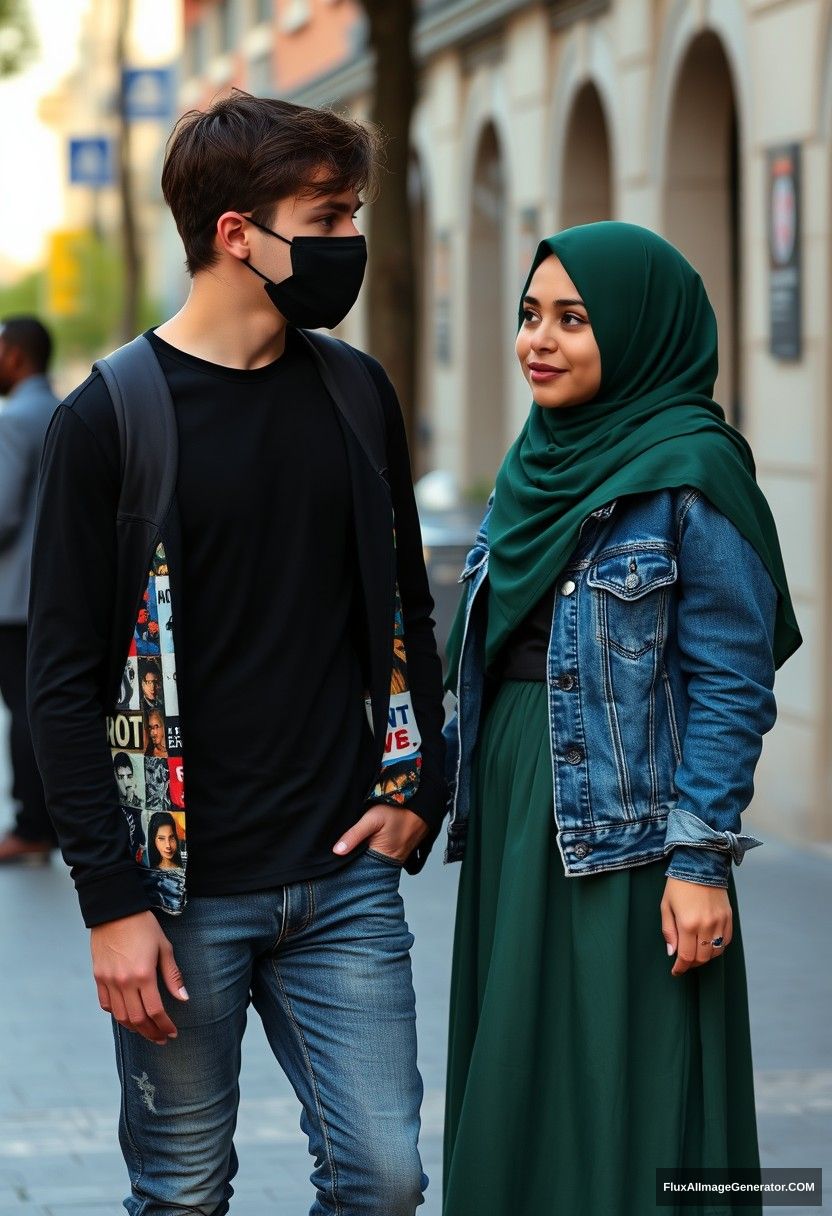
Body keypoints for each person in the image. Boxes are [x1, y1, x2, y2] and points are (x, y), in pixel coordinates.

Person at [27, 91, 445, 1216]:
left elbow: (406, 608)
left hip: (344, 877)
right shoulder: (108, 417)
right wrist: (110, 901)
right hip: (177, 896)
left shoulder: (357, 393)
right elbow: (59, 686)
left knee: (385, 1178)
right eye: (327, 214)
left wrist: (420, 786)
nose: (348, 240)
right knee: (181, 1191)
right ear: (235, 234)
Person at [441, 222, 802, 1216]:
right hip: (521, 808)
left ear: (640, 331)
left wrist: (698, 864)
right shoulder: (531, 466)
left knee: (627, 1078)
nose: (537, 341)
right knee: (520, 1067)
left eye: (572, 319)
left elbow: (732, 684)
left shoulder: (692, 471)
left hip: (629, 831)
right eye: (528, 316)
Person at [0, 316, 59, 865]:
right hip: (52, 590)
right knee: (44, 706)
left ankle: (31, 826)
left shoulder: (14, 418)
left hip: (14, 596)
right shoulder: (60, 407)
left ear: (15, 355)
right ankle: (49, 821)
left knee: (23, 710)